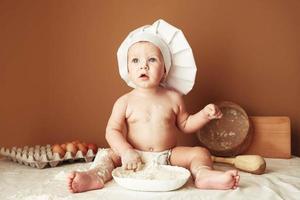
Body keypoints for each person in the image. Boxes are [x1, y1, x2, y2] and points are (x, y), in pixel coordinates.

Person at [67, 19, 239, 193]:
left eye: (152, 60)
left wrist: (204, 115)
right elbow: (112, 131)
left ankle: (204, 175)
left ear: (165, 70)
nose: (143, 65)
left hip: (169, 155)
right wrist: (126, 151)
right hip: (135, 155)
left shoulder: (173, 98)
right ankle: (94, 176)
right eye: (135, 60)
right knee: (107, 155)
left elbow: (186, 124)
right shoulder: (124, 101)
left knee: (200, 153)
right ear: (127, 69)